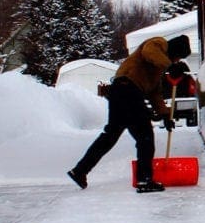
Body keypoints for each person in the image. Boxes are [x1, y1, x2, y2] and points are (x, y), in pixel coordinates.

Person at [68, 34, 192, 193]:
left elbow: (155, 94)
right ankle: (144, 180)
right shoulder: (158, 44)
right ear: (174, 51)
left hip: (120, 93)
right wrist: (169, 65)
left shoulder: (158, 70)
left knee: (109, 136)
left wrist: (165, 115)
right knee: (145, 136)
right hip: (127, 90)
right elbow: (149, 52)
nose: (175, 62)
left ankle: (79, 171)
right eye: (177, 58)